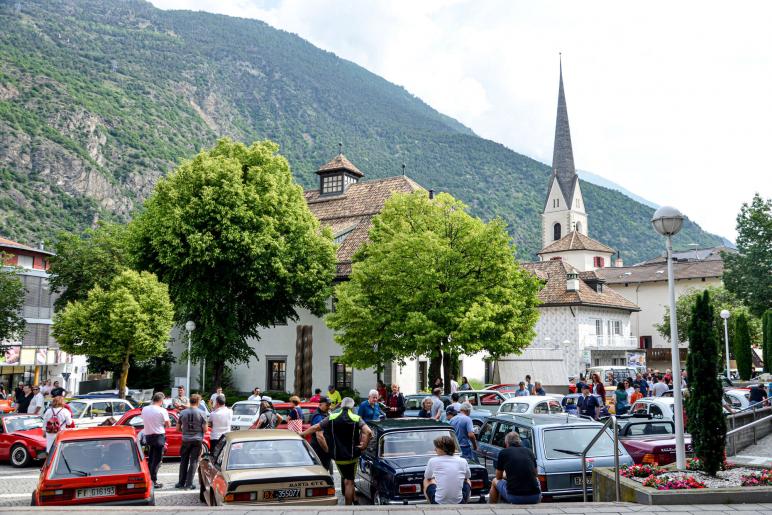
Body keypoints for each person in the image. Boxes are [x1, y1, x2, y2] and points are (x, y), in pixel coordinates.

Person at [301, 397, 372, 506]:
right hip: (352, 455)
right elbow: (368, 432)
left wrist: (301, 434)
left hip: (337, 456)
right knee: (349, 482)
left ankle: (355, 500)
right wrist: (364, 446)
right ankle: (348, 508)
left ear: (342, 405)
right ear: (352, 407)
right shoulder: (356, 418)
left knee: (346, 478)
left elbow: (316, 427)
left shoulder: (332, 416)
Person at [489, 432, 541, 504]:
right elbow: (536, 474)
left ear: (506, 443)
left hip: (514, 497)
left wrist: (505, 475)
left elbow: (498, 477)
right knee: (537, 479)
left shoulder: (503, 452)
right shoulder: (529, 452)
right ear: (520, 442)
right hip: (535, 497)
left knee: (494, 481)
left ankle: (492, 507)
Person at [423, 435, 471, 504]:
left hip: (439, 502)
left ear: (443, 449)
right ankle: (463, 505)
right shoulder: (463, 461)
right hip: (459, 502)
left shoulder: (433, 460)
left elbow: (427, 476)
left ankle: (432, 505)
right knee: (468, 480)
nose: (435, 449)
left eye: (437, 447)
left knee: (426, 480)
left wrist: (434, 478)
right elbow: (468, 476)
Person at [177, 394, 207, 490]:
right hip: (197, 439)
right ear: (198, 402)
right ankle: (189, 484)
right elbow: (205, 429)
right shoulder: (202, 413)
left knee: (183, 460)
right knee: (193, 461)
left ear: (190, 401)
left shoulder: (182, 413)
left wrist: (185, 431)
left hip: (185, 439)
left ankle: (181, 482)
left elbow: (178, 428)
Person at [141, 392, 170, 489]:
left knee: (151, 459)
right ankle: (153, 480)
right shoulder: (162, 410)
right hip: (158, 436)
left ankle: (149, 479)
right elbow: (168, 424)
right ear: (161, 401)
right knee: (157, 460)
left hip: (148, 436)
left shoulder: (145, 409)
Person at [42, 387, 73, 452]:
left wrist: (44, 431)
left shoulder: (48, 410)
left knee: (49, 448)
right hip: (60, 431)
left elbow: (44, 422)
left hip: (50, 432)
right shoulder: (65, 411)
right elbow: (69, 423)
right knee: (59, 449)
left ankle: (49, 460)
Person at [309, 396, 333, 473]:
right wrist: (327, 450)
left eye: (329, 405)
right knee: (321, 471)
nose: (329, 407)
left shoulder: (325, 413)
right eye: (327, 405)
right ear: (320, 405)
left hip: (323, 448)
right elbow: (320, 436)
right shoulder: (318, 416)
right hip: (320, 449)